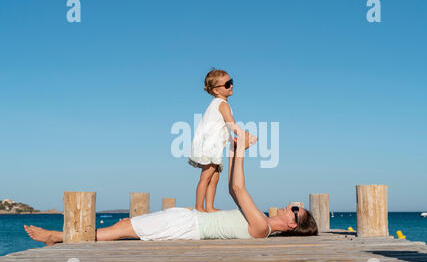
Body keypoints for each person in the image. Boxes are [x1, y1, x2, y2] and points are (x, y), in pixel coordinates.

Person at [24, 133, 318, 246]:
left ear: (292, 224)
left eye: (296, 208)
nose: (290, 205)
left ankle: (59, 237)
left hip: (189, 224)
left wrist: (240, 149)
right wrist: (233, 149)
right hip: (190, 220)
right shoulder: (261, 224)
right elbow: (232, 189)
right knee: (125, 226)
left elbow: (238, 188)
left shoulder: (262, 228)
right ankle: (63, 238)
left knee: (126, 228)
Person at [188, 68, 257, 212]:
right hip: (209, 146)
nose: (231, 86)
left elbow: (223, 128)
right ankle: (199, 207)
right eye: (227, 84)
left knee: (215, 177)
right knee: (206, 177)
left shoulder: (218, 104)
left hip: (213, 145)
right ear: (216, 91)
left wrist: (234, 139)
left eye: (231, 82)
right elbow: (231, 124)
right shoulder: (222, 104)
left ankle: (210, 207)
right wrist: (245, 135)